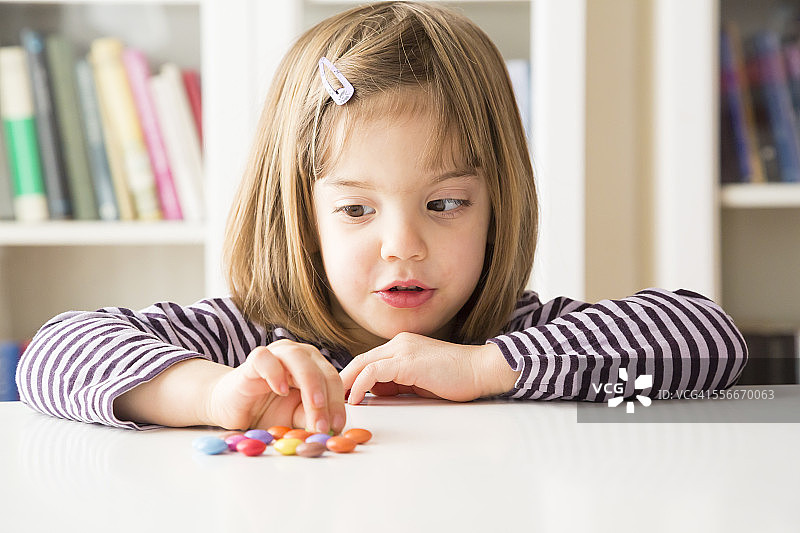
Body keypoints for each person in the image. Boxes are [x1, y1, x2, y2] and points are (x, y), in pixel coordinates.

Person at [16, 1, 747, 433]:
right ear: (301, 217)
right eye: (356, 208)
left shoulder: (522, 336)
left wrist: (484, 368)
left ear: (501, 206)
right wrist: (212, 392)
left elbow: (710, 338)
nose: (404, 245)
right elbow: (52, 354)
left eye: (446, 203)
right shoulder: (252, 339)